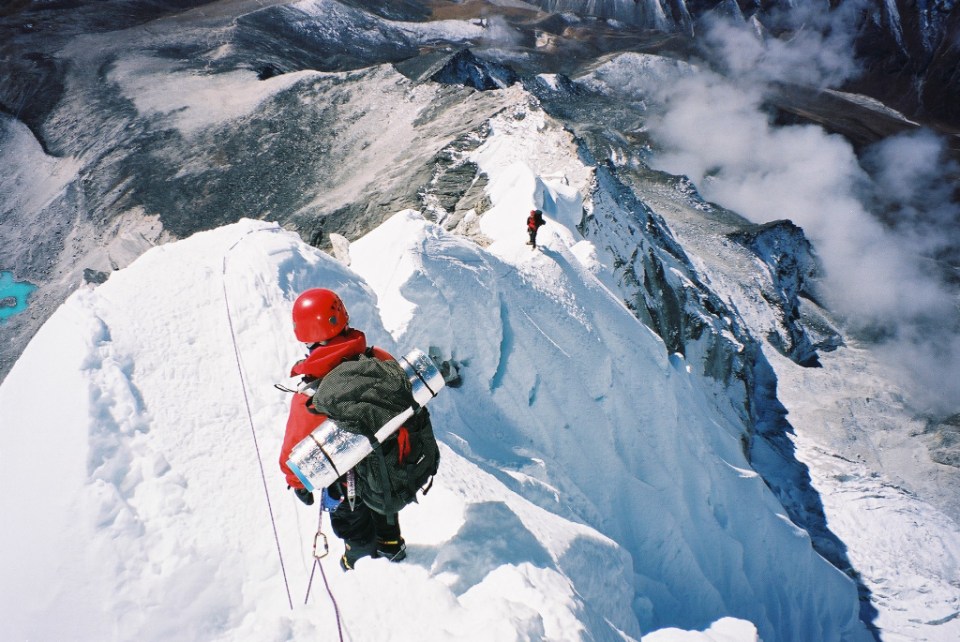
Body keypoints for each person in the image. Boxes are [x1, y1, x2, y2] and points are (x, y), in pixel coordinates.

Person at [279, 288, 424, 570]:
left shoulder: (311, 395)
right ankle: (392, 548)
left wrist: (298, 483)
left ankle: (361, 564)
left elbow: (292, 456)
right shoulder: (377, 357)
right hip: (389, 470)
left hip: (348, 487)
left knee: (354, 528)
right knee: (386, 514)